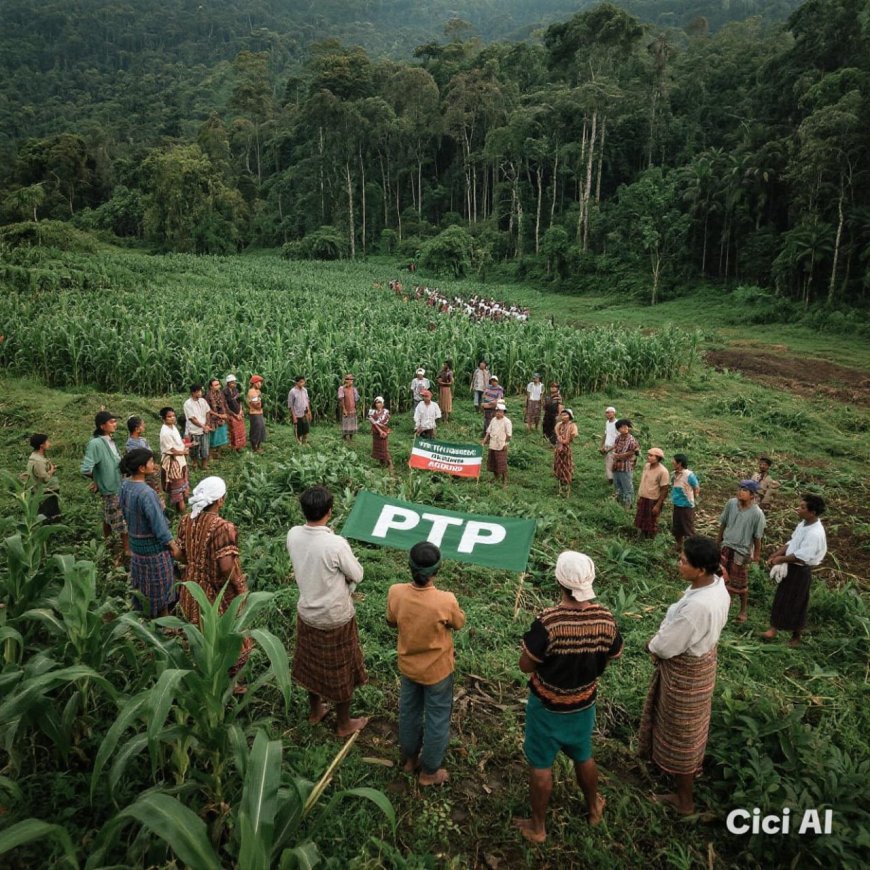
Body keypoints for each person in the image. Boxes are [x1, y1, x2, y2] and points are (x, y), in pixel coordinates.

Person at [513, 551, 623, 844]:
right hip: (584, 703)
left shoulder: (549, 622)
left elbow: (526, 665)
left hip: (547, 705)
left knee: (541, 764)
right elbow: (614, 654)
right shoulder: (605, 618)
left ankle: (538, 826)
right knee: (583, 755)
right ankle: (593, 807)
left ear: (558, 582)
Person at [639, 536, 730, 816]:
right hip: (701, 664)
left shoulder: (697, 608)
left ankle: (684, 800)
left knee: (682, 735)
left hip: (685, 674)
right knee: (686, 728)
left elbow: (666, 646)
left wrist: (651, 646)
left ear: (701, 569)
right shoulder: (717, 585)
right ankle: (674, 778)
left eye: (684, 562)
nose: (679, 564)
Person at [287, 486, 368, 736]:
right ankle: (344, 724)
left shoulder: (293, 535)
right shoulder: (335, 544)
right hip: (334, 617)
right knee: (341, 669)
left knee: (311, 664)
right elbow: (357, 574)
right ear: (330, 512)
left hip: (307, 613)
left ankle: (315, 711)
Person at [387, 542, 465, 786]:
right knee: (437, 717)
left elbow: (391, 621)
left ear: (409, 567)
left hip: (409, 668)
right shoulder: (445, 600)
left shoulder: (396, 592)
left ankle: (410, 759)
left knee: (409, 711)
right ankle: (430, 771)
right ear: (436, 571)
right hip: (438, 672)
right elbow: (459, 623)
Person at [177, 476, 252, 690]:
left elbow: (182, 555)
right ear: (220, 500)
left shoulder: (186, 521)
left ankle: (206, 674)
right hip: (214, 589)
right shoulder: (223, 527)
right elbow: (226, 566)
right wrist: (238, 586)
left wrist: (196, 564)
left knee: (202, 634)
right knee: (227, 633)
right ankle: (230, 683)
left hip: (191, 586)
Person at [118, 448, 180, 617]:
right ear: (142, 468)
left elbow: (124, 512)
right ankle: (165, 623)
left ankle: (146, 617)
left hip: (136, 546)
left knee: (143, 586)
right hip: (154, 550)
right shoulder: (146, 493)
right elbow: (159, 526)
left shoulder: (125, 485)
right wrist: (173, 545)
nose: (154, 464)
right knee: (160, 587)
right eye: (151, 461)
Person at [761, 494, 827, 648]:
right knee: (781, 598)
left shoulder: (815, 533)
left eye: (803, 507)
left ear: (813, 512)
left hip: (800, 571)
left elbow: (802, 556)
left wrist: (781, 559)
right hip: (791, 568)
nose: (799, 509)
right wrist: (778, 553)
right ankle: (773, 629)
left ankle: (796, 637)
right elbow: (792, 542)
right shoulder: (803, 524)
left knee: (798, 602)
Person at [81, 411, 128, 560]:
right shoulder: (96, 443)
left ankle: (108, 543)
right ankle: (126, 551)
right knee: (122, 520)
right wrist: (98, 479)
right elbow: (86, 468)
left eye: (115, 421)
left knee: (109, 516)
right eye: (111, 422)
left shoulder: (110, 441)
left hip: (118, 484)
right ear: (102, 426)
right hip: (110, 487)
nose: (115, 424)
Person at [717, 481, 766, 623]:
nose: (740, 492)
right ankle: (722, 605)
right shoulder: (731, 504)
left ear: (752, 495)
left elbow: (757, 538)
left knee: (740, 583)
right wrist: (717, 542)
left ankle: (743, 611)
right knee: (721, 578)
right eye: (739, 489)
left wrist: (756, 557)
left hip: (742, 551)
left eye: (744, 490)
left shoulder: (757, 514)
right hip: (726, 546)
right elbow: (723, 524)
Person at [158, 406, 190, 514]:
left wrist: (184, 447)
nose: (172, 418)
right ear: (163, 419)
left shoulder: (173, 427)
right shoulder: (165, 432)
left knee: (184, 484)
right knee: (178, 489)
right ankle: (183, 514)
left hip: (180, 460)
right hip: (173, 462)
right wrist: (183, 452)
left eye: (173, 416)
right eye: (169, 417)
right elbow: (171, 449)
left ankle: (184, 508)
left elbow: (178, 443)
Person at [634, 448, 670, 539]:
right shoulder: (646, 466)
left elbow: (664, 489)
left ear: (658, 458)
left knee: (651, 522)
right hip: (644, 497)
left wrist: (658, 505)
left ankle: (650, 540)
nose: (648, 457)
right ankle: (642, 537)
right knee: (641, 521)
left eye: (651, 456)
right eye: (648, 455)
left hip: (653, 500)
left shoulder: (663, 471)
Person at [26, 433, 60, 523]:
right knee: (51, 515)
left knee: (46, 513)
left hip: (42, 490)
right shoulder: (38, 461)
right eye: (47, 442)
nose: (49, 443)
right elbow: (45, 478)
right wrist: (51, 471)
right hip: (46, 491)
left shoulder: (35, 457)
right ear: (41, 446)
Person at [126, 416, 163, 498]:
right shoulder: (131, 444)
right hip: (145, 473)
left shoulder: (143, 440)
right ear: (137, 429)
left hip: (151, 469)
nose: (144, 426)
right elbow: (139, 460)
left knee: (157, 491)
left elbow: (149, 454)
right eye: (142, 425)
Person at [670, 454, 700, 550]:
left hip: (686, 506)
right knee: (677, 528)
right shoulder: (675, 474)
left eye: (674, 461)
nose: (672, 462)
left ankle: (692, 549)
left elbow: (696, 487)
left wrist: (695, 498)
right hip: (677, 505)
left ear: (679, 463)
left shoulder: (689, 475)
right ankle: (679, 545)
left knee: (688, 528)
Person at [611, 419, 640, 508]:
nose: (625, 428)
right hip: (617, 466)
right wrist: (614, 453)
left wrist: (619, 456)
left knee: (627, 486)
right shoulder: (618, 438)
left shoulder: (631, 439)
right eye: (622, 427)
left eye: (626, 426)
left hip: (626, 466)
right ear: (618, 429)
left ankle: (628, 504)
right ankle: (619, 502)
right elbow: (615, 447)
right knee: (618, 485)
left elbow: (632, 452)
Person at [483, 401, 512, 487]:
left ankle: (505, 481)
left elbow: (509, 435)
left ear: (503, 412)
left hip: (501, 445)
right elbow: (488, 431)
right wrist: (485, 440)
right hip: (493, 444)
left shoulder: (507, 422)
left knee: (502, 463)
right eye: (497, 411)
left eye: (500, 411)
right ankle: (496, 477)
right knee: (493, 462)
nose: (498, 413)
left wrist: (506, 444)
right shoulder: (493, 420)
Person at [183, 385, 212, 470]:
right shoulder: (187, 404)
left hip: (204, 429)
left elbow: (208, 412)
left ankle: (204, 464)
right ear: (193, 392)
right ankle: (195, 464)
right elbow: (192, 419)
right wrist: (203, 426)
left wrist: (207, 424)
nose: (200, 393)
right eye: (199, 391)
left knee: (205, 448)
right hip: (194, 430)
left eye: (200, 391)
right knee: (194, 449)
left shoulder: (203, 401)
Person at [553, 408, 578, 496]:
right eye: (562, 415)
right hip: (559, 447)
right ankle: (560, 482)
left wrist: (569, 438)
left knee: (566, 465)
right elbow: (557, 431)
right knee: (558, 464)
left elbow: (574, 434)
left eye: (565, 415)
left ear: (570, 416)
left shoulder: (572, 425)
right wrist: (560, 438)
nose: (563, 417)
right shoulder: (559, 425)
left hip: (566, 448)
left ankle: (567, 483)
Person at [368, 396, 393, 471]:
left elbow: (384, 422)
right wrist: (379, 430)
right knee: (377, 449)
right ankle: (382, 464)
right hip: (376, 432)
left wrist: (382, 431)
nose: (378, 404)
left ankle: (390, 465)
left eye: (379, 402)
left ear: (383, 404)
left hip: (383, 432)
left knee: (384, 449)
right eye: (376, 402)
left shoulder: (386, 412)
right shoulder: (371, 412)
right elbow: (372, 422)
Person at [206, 378, 229, 456]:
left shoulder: (220, 393)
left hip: (222, 418)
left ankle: (218, 452)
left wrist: (225, 414)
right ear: (211, 387)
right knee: (213, 437)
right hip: (213, 419)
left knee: (221, 435)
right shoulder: (208, 396)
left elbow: (224, 404)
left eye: (218, 384)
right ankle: (211, 454)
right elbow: (207, 409)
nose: (218, 386)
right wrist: (219, 415)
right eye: (216, 385)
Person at [222, 374, 246, 451]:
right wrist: (235, 415)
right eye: (233, 382)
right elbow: (226, 406)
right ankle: (234, 447)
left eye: (235, 382)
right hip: (231, 414)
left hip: (239, 412)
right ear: (229, 383)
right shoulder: (225, 392)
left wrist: (241, 411)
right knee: (233, 430)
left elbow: (240, 402)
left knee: (240, 430)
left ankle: (240, 446)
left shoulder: (236, 390)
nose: (235, 384)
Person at [288, 375, 312, 445]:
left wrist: (309, 411)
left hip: (304, 413)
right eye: (301, 382)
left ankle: (305, 442)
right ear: (297, 382)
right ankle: (299, 444)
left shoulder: (305, 390)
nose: (303, 383)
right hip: (297, 414)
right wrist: (293, 416)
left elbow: (307, 401)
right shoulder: (292, 392)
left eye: (303, 382)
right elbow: (290, 405)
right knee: (298, 430)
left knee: (306, 429)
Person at [598, 406, 618, 485]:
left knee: (613, 463)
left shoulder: (617, 423)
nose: (608, 414)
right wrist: (602, 445)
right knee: (608, 463)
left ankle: (613, 479)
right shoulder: (607, 422)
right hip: (607, 445)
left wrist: (612, 447)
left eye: (610, 412)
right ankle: (611, 479)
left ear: (614, 413)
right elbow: (606, 434)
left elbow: (619, 437)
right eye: (607, 413)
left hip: (614, 446)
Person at [337, 373, 360, 440]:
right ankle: (344, 437)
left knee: (352, 423)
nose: (350, 381)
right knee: (346, 422)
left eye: (351, 379)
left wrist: (355, 408)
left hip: (352, 408)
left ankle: (350, 437)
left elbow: (356, 399)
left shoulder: (354, 389)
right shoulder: (342, 388)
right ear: (345, 380)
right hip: (346, 408)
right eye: (348, 379)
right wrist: (344, 409)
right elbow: (341, 399)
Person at [247, 375, 266, 452]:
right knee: (256, 429)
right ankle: (254, 447)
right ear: (254, 383)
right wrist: (262, 403)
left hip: (259, 412)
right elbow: (257, 405)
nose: (260, 384)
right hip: (254, 413)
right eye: (259, 382)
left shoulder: (258, 391)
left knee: (261, 428)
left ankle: (258, 446)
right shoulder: (252, 392)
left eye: (261, 383)